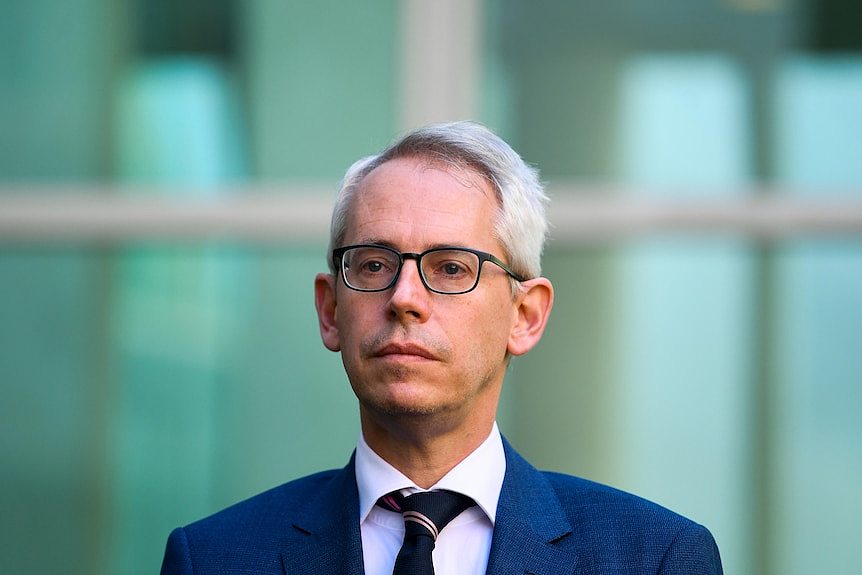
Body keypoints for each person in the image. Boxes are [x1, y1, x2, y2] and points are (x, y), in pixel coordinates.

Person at [160, 121, 723, 574]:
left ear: (525, 316)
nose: (405, 298)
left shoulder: (655, 559)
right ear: (330, 311)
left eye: (451, 268)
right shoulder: (212, 559)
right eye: (375, 264)